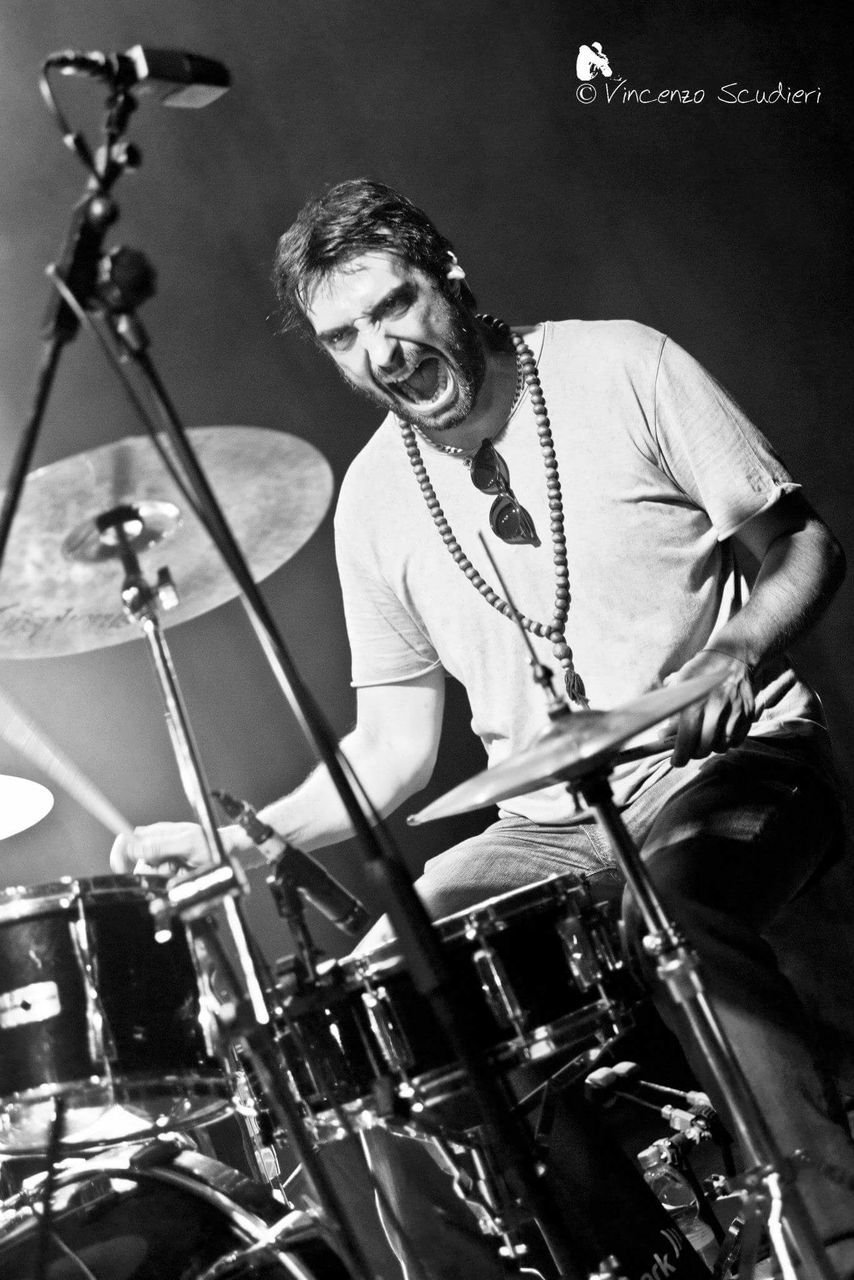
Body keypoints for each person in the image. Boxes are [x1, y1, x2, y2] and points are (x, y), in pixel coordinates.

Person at [112, 180, 854, 1278]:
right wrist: (240, 840)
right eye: (344, 335)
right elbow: (393, 747)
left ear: (447, 276)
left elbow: (801, 546)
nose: (381, 351)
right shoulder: (372, 499)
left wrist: (729, 656)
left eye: (393, 306)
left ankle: (827, 1241)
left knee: (676, 915)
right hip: (540, 831)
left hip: (728, 763)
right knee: (377, 1022)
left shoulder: (620, 365)